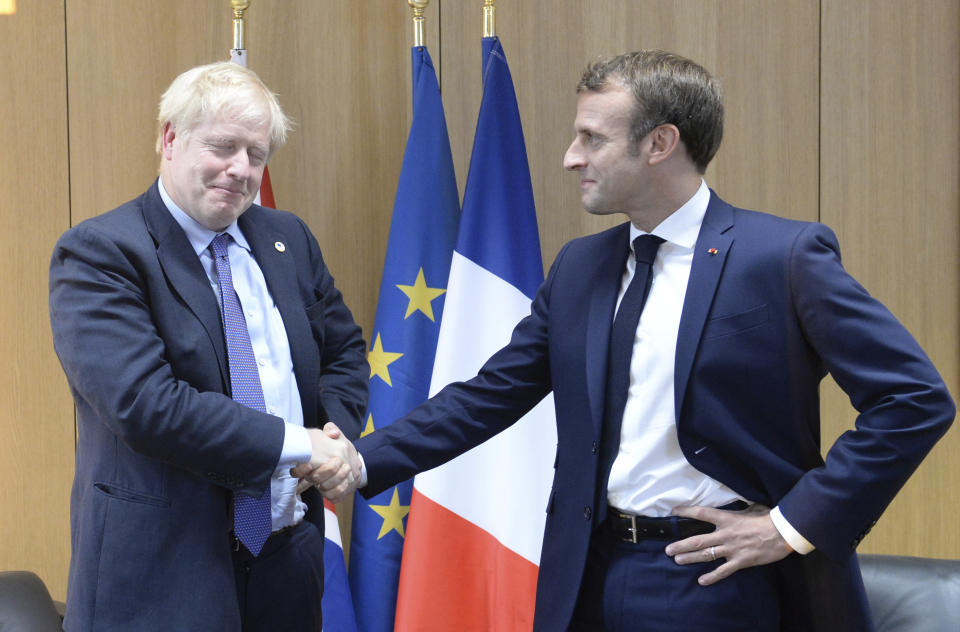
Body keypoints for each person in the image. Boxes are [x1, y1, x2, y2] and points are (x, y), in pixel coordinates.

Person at [303, 50, 954, 630]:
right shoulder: (581, 267)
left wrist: (791, 527)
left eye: (591, 136)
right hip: (585, 572)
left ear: (660, 143)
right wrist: (359, 461)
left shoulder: (781, 258)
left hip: (712, 578)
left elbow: (914, 400)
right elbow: (488, 396)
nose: (570, 157)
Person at [49, 61, 365, 631]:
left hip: (286, 564)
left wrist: (335, 439)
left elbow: (343, 352)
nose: (241, 170)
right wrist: (300, 445)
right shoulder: (101, 252)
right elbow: (147, 405)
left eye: (257, 154)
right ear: (170, 139)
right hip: (163, 576)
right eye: (223, 147)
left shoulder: (287, 237)